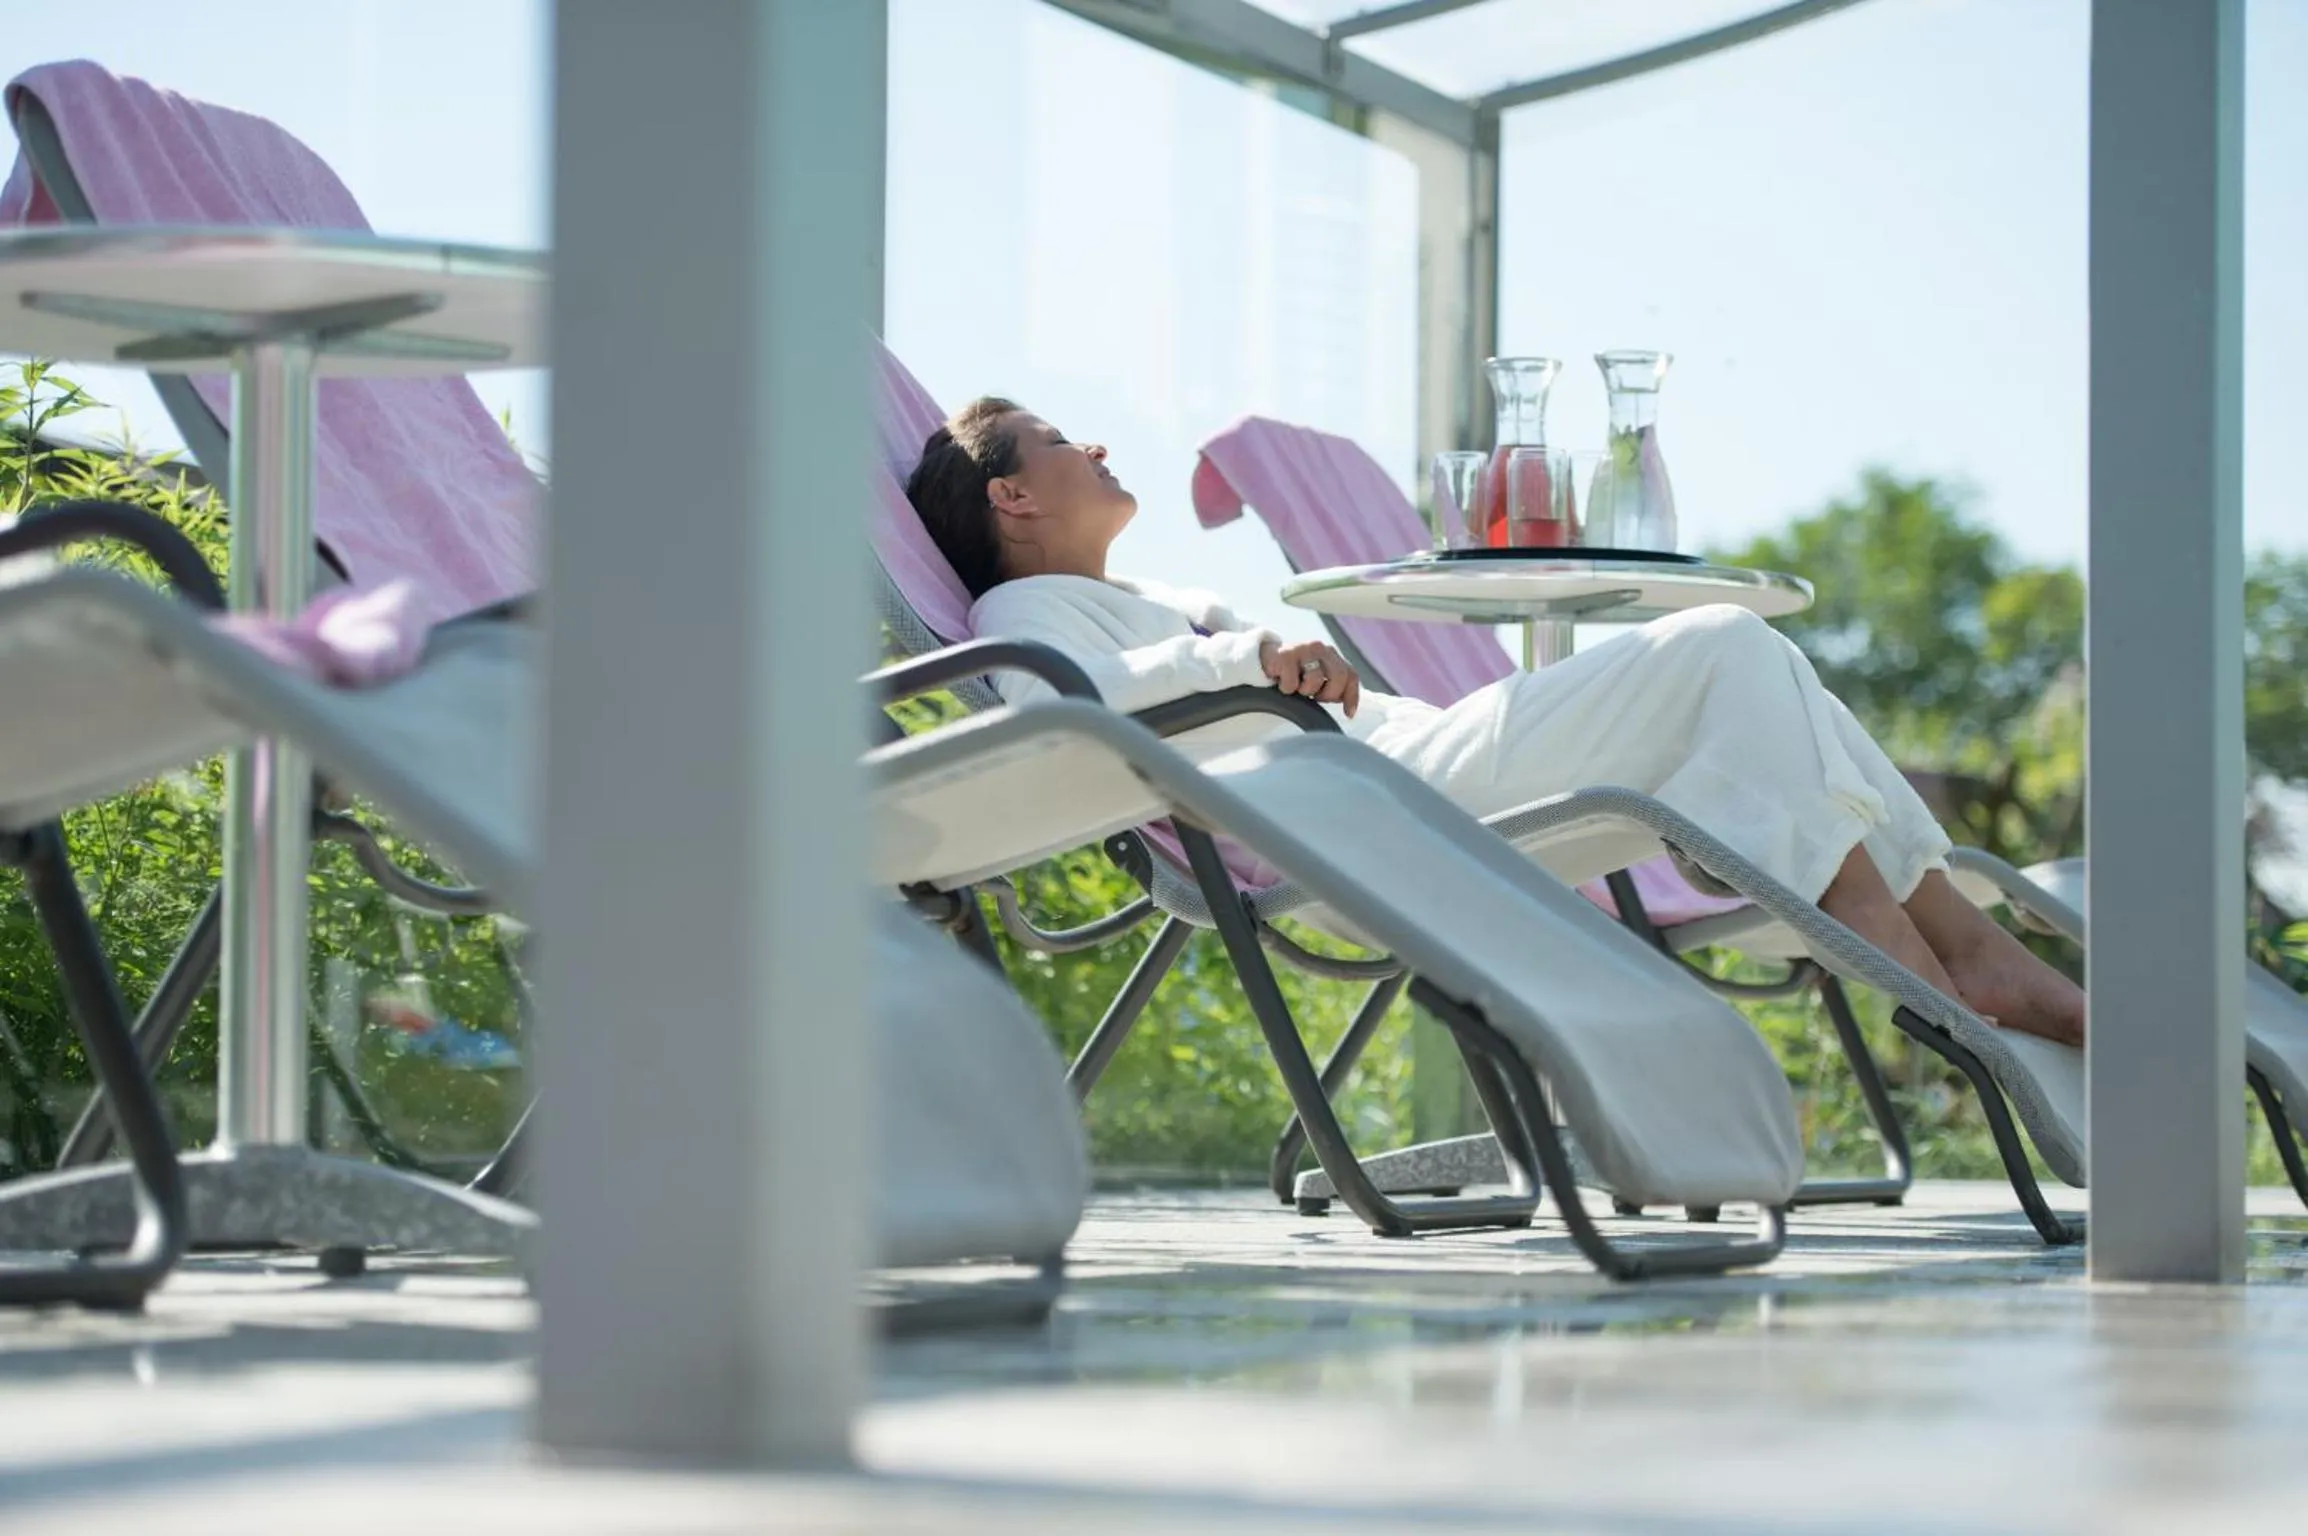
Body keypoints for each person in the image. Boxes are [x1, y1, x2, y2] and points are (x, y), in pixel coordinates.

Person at [904, 397, 2087, 1047]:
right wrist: (1244, 652)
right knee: (1725, 643)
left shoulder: (1117, 595)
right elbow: (1059, 709)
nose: (1096, 444)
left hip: (1397, 775)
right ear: (1009, 494)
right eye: (1060, 442)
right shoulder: (1024, 606)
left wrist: (1230, 652)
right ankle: (1929, 955)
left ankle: (1952, 953)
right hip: (1372, 810)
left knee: (1757, 665)